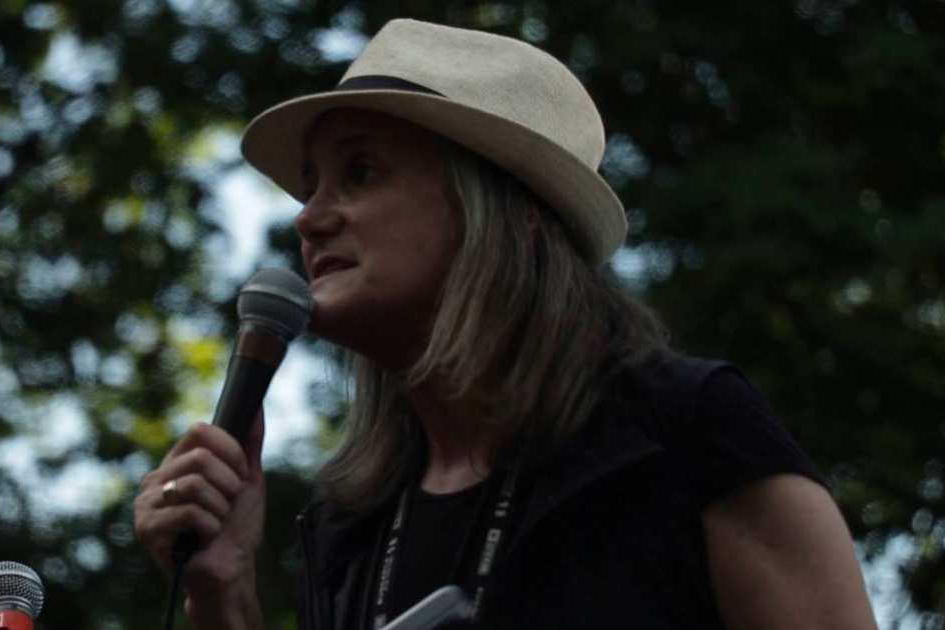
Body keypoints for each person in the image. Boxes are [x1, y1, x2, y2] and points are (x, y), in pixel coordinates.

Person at [133, 18, 878, 629]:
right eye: (312, 184)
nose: (310, 218)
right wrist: (222, 595)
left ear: (507, 216)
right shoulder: (349, 525)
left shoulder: (686, 429)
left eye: (359, 173)